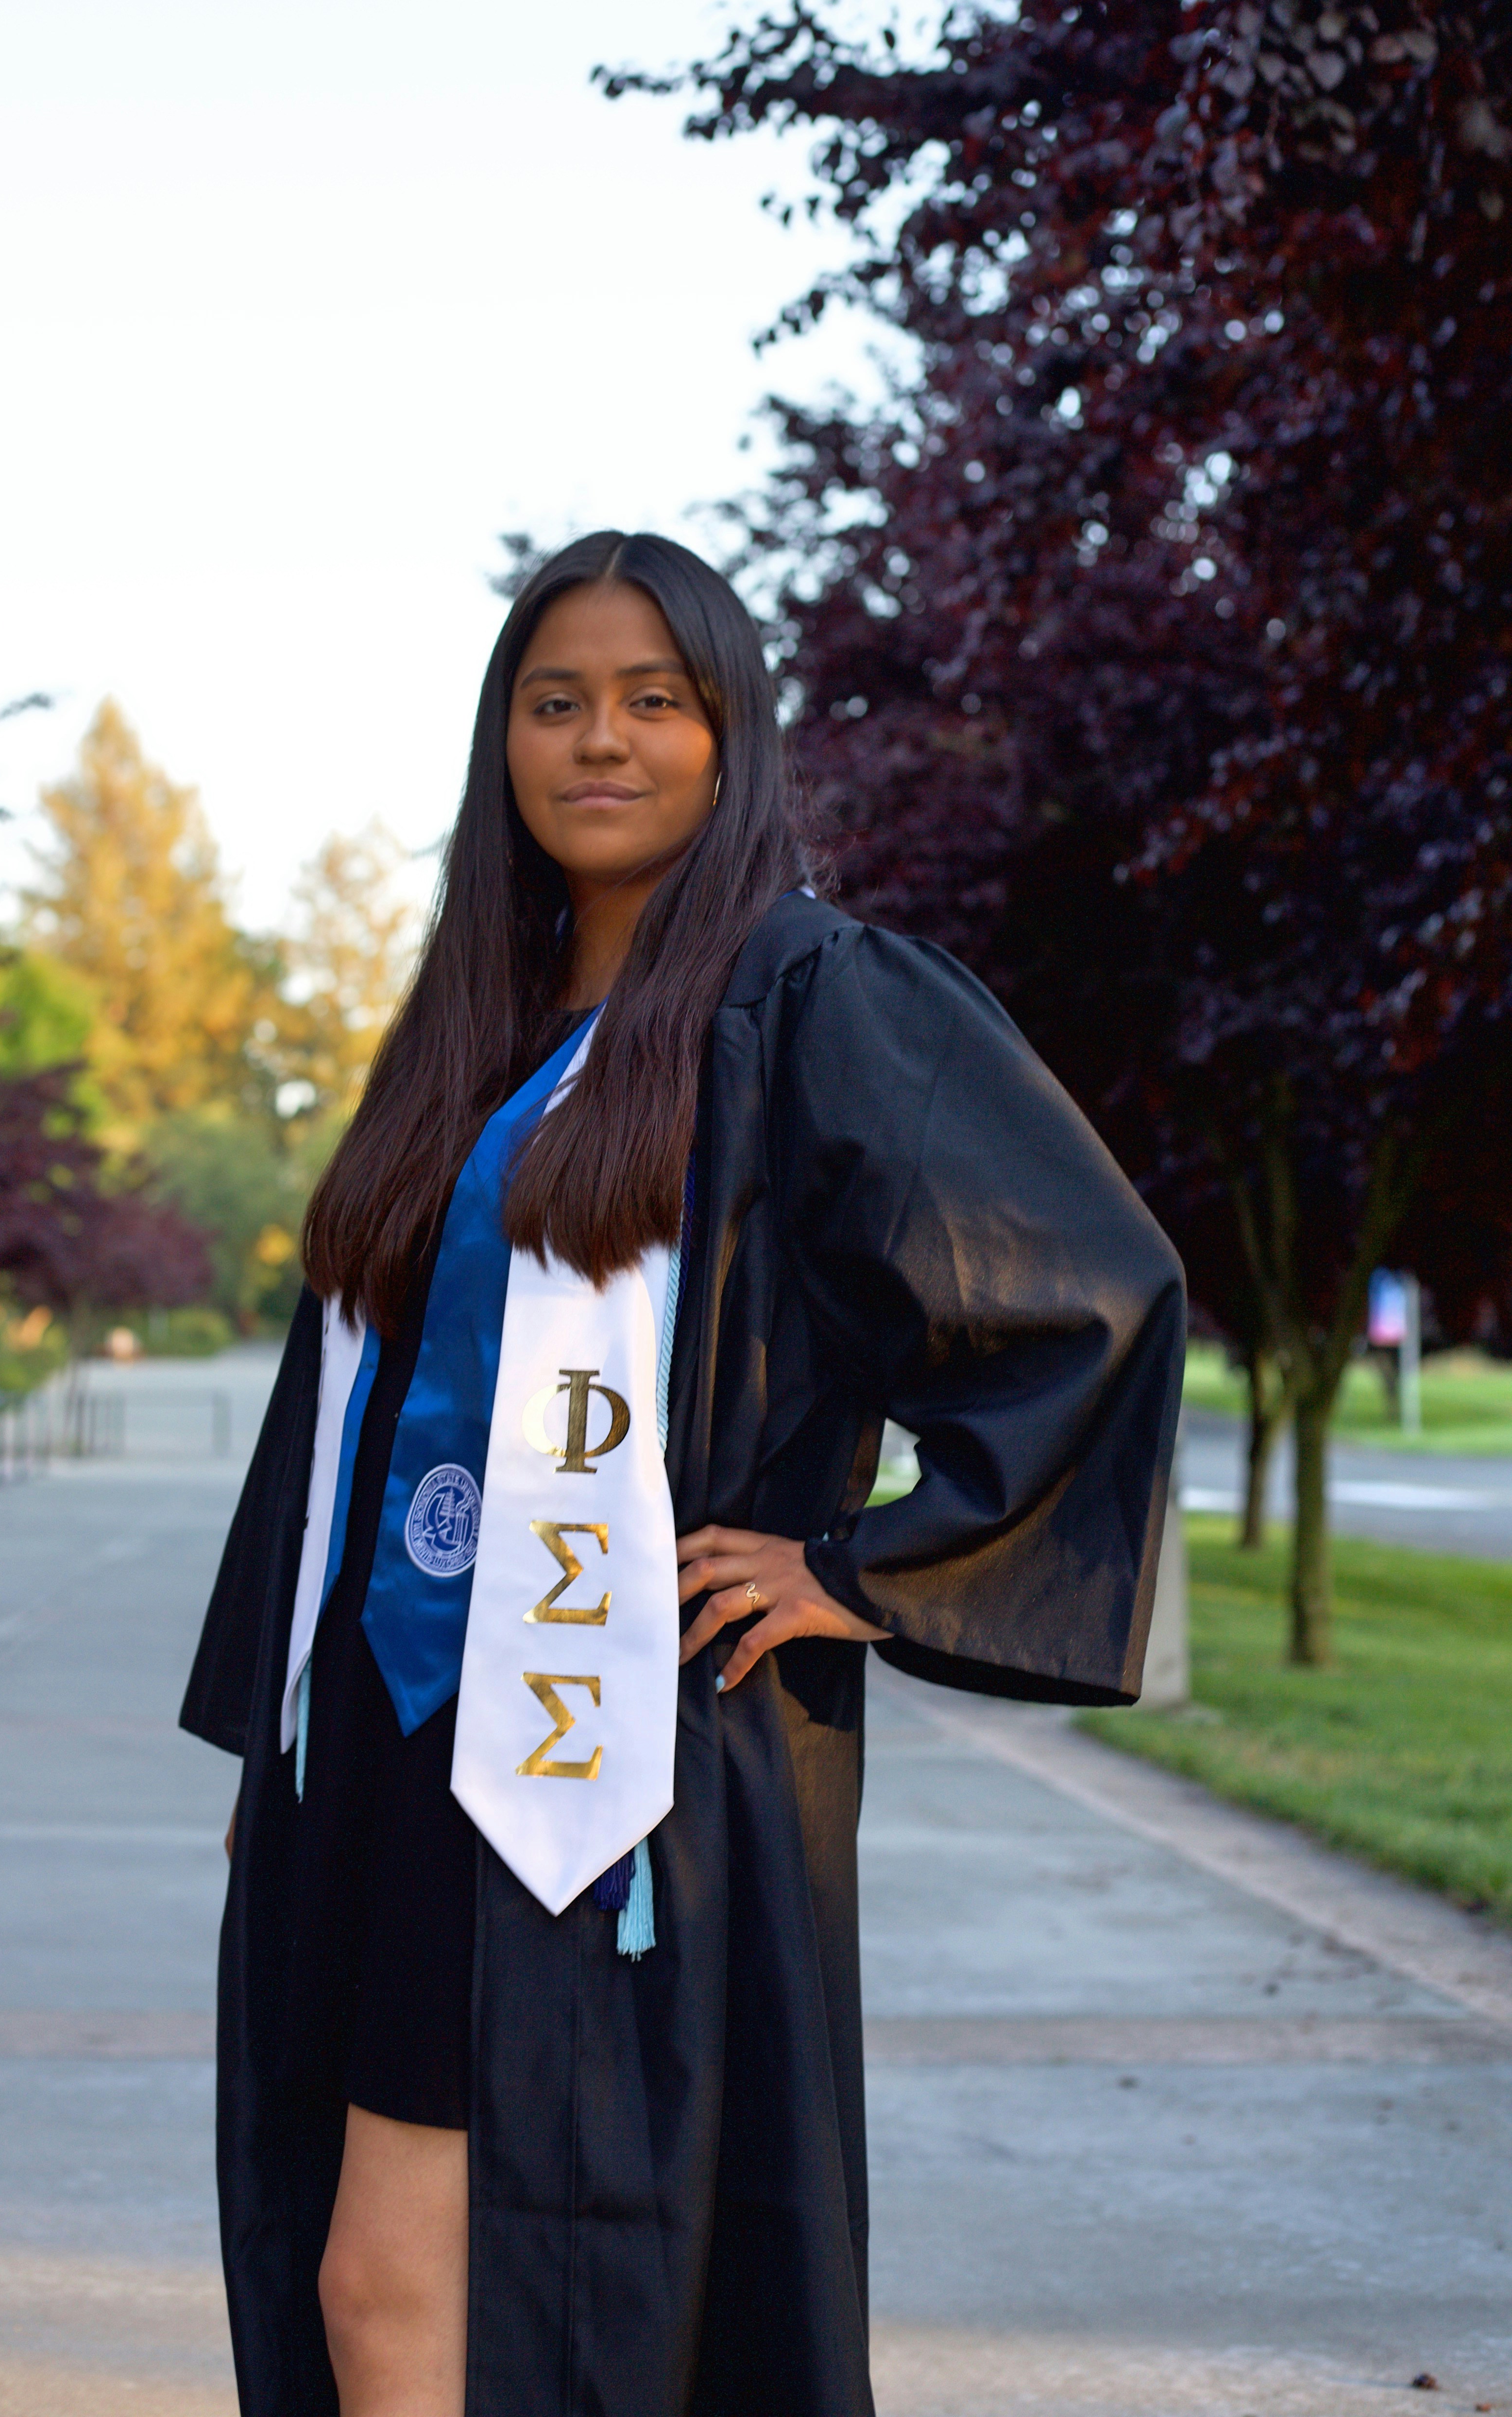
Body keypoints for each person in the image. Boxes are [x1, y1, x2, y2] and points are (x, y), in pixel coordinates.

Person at [181, 530, 1185, 2417]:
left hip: (612, 1741)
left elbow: (1081, 1297)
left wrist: (861, 1569)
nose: (602, 740)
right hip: (393, 1750)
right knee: (371, 2275)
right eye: (555, 703)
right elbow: (349, 1406)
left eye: (658, 699)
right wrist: (274, 1724)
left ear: (734, 736)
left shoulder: (812, 1000)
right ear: (503, 745)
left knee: (543, 2287)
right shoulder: (474, 1040)